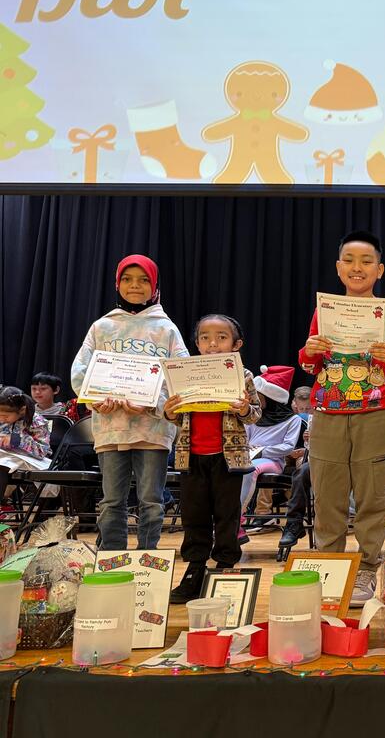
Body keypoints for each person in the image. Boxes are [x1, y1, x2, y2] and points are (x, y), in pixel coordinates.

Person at [298, 230, 385, 605]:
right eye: (349, 260)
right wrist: (310, 350)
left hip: (377, 415)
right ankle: (331, 568)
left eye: (367, 261)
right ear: (339, 268)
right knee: (327, 497)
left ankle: (367, 568)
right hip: (328, 415)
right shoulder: (325, 311)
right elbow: (308, 366)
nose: (357, 267)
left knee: (372, 498)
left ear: (379, 270)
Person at [70, 254, 189, 550]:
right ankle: (112, 558)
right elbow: (80, 372)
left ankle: (147, 560)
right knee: (112, 500)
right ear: (117, 284)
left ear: (155, 285)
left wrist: (153, 403)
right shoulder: (102, 327)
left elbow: (180, 376)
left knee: (151, 500)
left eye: (143, 280)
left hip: (153, 429)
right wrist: (97, 400)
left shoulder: (166, 329)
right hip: (111, 427)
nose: (135, 285)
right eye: (127, 279)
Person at [164, 315, 261, 603]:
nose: (213, 344)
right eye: (205, 338)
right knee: (193, 515)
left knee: (227, 514)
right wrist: (169, 412)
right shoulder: (185, 374)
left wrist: (244, 409)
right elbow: (176, 417)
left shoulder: (243, 376)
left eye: (221, 337)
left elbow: (255, 414)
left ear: (236, 344)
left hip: (228, 458)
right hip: (191, 457)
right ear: (196, 344)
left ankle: (225, 565)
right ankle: (195, 567)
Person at [237, 365, 303, 541]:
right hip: (250, 455)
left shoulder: (293, 420)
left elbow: (288, 446)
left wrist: (262, 451)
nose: (254, 398)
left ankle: (237, 518)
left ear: (271, 397)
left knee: (250, 468)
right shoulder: (254, 416)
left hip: (273, 461)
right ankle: (224, 516)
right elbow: (246, 438)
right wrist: (248, 449)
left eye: (258, 395)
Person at [0, 387, 51, 500]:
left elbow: (42, 451)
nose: (2, 419)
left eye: (5, 416)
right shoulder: (1, 420)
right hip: (6, 457)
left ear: (22, 410)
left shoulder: (37, 421)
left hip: (31, 461)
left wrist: (17, 440)